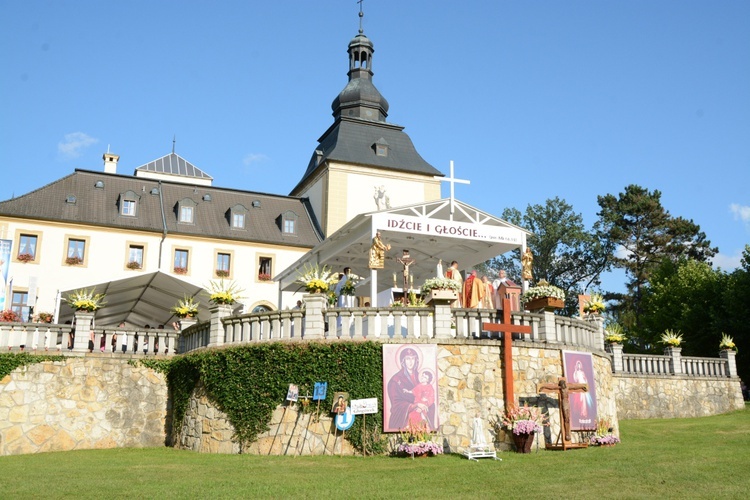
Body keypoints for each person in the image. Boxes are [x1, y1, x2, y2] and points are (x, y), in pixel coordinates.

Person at [387, 347, 420, 430]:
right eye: (408, 359)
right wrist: (413, 406)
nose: (411, 362)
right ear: (403, 361)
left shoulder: (421, 377)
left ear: (416, 360)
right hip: (403, 417)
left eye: (413, 359)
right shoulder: (395, 380)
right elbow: (396, 402)